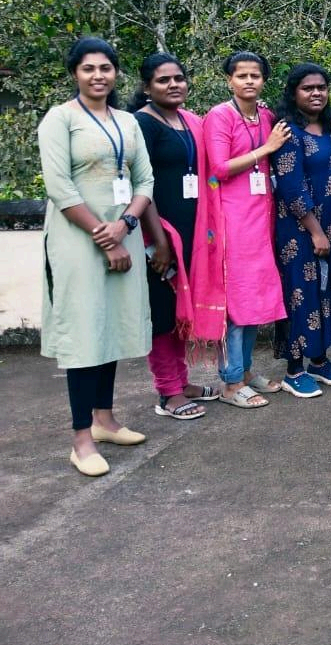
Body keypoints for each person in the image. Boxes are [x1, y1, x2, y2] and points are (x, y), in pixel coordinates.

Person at [39, 37, 155, 476]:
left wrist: (124, 226)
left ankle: (105, 420)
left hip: (123, 229)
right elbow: (59, 186)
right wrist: (104, 238)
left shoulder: (128, 121)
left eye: (105, 67)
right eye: (88, 68)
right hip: (78, 239)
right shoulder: (60, 118)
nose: (98, 75)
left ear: (116, 72)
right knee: (85, 331)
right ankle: (81, 439)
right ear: (75, 73)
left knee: (112, 325)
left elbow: (145, 181)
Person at [131, 53, 225, 421]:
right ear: (147, 87)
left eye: (178, 78)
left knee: (180, 312)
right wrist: (159, 242)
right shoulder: (143, 124)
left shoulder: (191, 121)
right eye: (163, 80)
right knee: (162, 314)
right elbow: (141, 184)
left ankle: (182, 382)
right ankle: (168, 392)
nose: (173, 85)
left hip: (192, 233)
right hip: (158, 234)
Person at [204, 51, 288, 408]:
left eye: (255, 75)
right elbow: (219, 168)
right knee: (235, 301)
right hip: (231, 221)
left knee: (254, 298)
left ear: (264, 80)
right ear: (230, 80)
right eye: (242, 75)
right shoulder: (220, 116)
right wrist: (266, 149)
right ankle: (230, 381)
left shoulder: (266, 116)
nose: (249, 81)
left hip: (261, 219)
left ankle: (246, 371)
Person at [270, 64, 331, 397]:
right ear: (294, 93)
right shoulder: (288, 132)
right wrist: (315, 231)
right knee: (301, 292)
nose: (316, 93)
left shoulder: (330, 126)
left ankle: (319, 361)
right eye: (308, 88)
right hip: (300, 228)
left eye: (321, 87)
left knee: (325, 291)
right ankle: (294, 369)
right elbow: (290, 186)